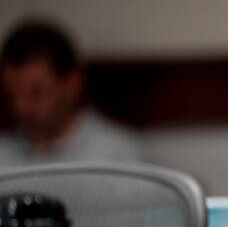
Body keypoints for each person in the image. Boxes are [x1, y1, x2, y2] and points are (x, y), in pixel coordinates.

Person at [0, 18, 142, 168]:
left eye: (36, 92)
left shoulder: (117, 155)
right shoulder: (2, 155)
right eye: (11, 95)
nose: (20, 107)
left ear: (72, 83)